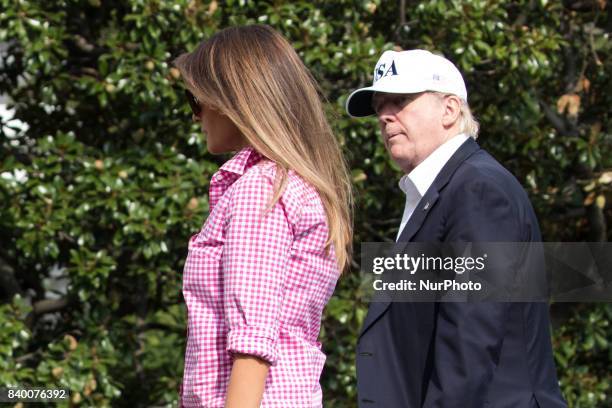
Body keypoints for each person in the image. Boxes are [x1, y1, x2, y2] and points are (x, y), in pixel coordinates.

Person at [346, 50, 567, 407]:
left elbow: (469, 339)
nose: (385, 116)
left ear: (449, 110)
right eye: (379, 106)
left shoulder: (478, 190)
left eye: (400, 100)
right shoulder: (445, 190)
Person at [174, 25, 352, 407]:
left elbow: (252, 344)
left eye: (195, 100)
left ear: (231, 100)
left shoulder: (262, 189)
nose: (196, 117)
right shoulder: (293, 186)